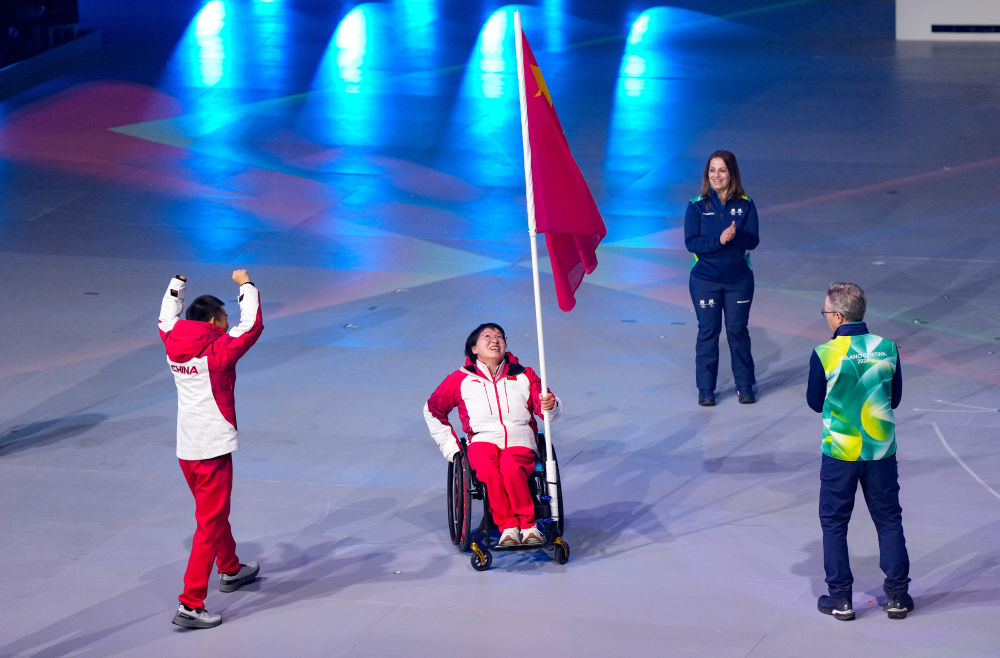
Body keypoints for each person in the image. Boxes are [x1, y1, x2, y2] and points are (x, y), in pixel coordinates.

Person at [158, 270, 264, 629]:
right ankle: (190, 602)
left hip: (186, 449)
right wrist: (246, 285)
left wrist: (177, 286)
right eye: (223, 317)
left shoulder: (172, 340)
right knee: (208, 522)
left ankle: (230, 568)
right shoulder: (218, 352)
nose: (227, 322)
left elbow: (166, 317)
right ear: (214, 321)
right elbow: (250, 327)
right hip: (212, 450)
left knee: (212, 513)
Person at [808, 282, 913, 621]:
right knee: (888, 521)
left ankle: (841, 600)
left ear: (838, 316)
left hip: (840, 453)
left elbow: (813, 401)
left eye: (826, 313)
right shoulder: (887, 347)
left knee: (835, 524)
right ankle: (898, 596)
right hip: (881, 452)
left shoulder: (825, 353)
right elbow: (894, 399)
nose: (825, 318)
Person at [423, 323, 560, 547]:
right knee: (487, 468)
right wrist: (452, 449)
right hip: (481, 442)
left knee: (510, 466)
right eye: (487, 336)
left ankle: (528, 525)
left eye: (499, 337)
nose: (495, 340)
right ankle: (507, 527)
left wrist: (550, 404)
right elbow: (432, 410)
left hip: (519, 441)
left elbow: (547, 410)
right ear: (474, 348)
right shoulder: (460, 379)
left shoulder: (525, 374)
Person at [684, 150, 759, 406]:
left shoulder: (746, 204)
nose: (716, 175)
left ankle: (745, 386)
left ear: (731, 174)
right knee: (708, 331)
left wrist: (735, 236)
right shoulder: (696, 205)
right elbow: (692, 243)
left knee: (738, 331)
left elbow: (753, 240)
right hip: (705, 281)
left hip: (739, 281)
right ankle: (706, 389)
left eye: (722, 170)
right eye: (712, 170)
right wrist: (720, 240)